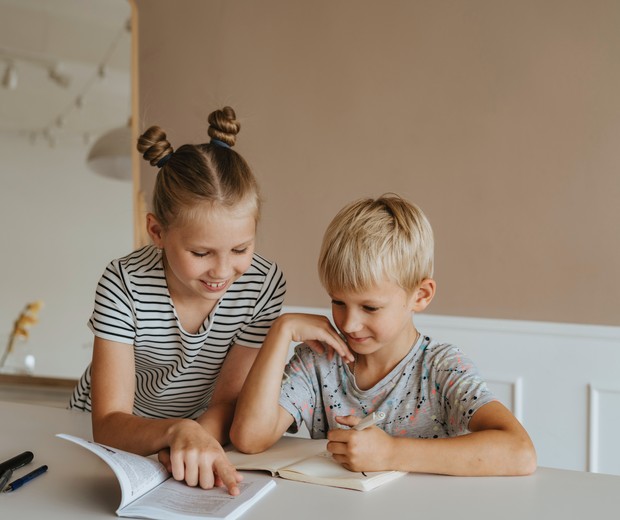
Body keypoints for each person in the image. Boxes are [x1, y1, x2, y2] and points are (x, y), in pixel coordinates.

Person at [230, 194, 536, 476]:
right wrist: (281, 330)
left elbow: (520, 452)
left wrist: (390, 453)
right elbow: (249, 438)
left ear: (420, 295)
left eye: (370, 307)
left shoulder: (442, 368)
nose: (349, 324)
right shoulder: (318, 362)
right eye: (338, 302)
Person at [69, 106, 286, 495]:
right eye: (201, 253)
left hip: (195, 432)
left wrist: (193, 440)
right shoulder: (123, 282)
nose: (222, 271)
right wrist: (177, 433)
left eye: (240, 248)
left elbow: (227, 400)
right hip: (114, 434)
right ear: (156, 231)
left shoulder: (263, 284)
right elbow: (107, 422)